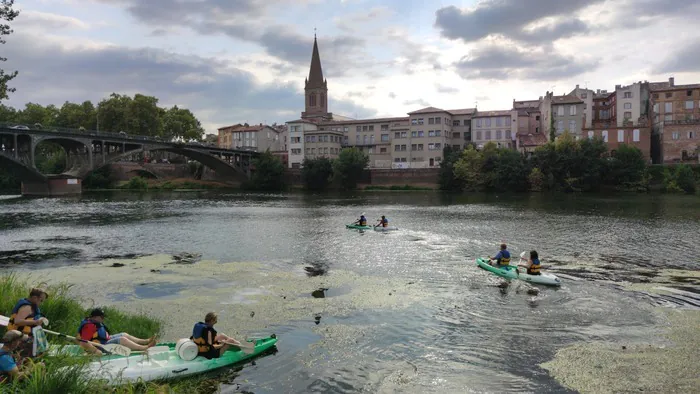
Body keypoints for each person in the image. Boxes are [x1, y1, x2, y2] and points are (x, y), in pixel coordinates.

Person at [77, 308, 156, 355]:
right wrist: (95, 351)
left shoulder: (93, 322)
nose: (103, 318)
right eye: (101, 317)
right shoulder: (89, 326)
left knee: (124, 334)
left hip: (103, 340)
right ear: (94, 317)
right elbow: (83, 342)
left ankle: (145, 341)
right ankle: (143, 348)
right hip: (100, 345)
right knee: (122, 339)